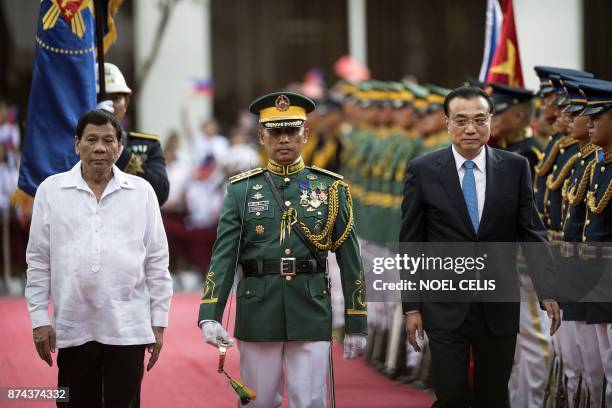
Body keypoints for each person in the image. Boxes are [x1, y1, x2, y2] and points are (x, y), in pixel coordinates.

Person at [197, 91, 367, 407]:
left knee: (310, 401)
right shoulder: (241, 190)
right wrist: (210, 314)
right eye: (276, 132)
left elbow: (350, 259)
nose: (284, 139)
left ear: (306, 134)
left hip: (310, 309)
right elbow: (224, 256)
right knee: (259, 402)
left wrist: (357, 320)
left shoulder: (330, 188)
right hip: (259, 309)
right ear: (262, 136)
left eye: (292, 131)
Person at [401, 85, 560, 407]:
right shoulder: (424, 170)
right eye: (460, 120)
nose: (470, 129)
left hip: (498, 305)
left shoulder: (515, 167)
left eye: (479, 119)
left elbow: (531, 231)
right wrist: (412, 306)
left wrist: (548, 289)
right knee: (452, 394)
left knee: (493, 395)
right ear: (446, 122)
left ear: (490, 120)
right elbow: (411, 242)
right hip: (444, 305)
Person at [24, 110, 173, 407]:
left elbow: (157, 260)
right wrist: (39, 320)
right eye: (91, 139)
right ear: (77, 144)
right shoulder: (51, 191)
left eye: (108, 140)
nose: (100, 148)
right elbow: (38, 260)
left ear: (120, 146)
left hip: (128, 329)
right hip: (72, 327)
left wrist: (158, 323)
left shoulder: (141, 191)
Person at [489, 83, 553, 408]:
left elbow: (533, 217)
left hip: (521, 261)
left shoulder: (531, 154)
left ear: (517, 114)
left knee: (535, 341)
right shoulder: (507, 151)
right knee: (512, 344)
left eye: (497, 112)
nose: (492, 118)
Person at [97, 62, 169, 206]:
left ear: (126, 103)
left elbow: (160, 193)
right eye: (102, 98)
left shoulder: (148, 146)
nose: (109, 106)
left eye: (116, 99)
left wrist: (118, 150)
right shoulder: (75, 146)